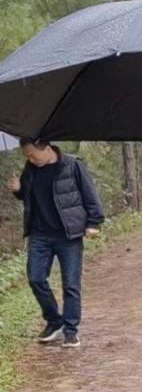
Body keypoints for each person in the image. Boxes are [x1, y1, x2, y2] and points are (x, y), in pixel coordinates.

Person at [7, 138, 104, 348]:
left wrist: (94, 222)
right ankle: (54, 321)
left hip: (68, 235)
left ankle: (71, 330)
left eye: (32, 154)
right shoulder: (30, 168)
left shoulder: (72, 165)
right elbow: (26, 194)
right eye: (27, 156)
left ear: (47, 148)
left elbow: (90, 194)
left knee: (71, 284)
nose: (30, 159)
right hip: (39, 234)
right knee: (35, 278)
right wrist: (18, 189)